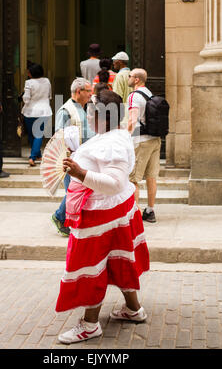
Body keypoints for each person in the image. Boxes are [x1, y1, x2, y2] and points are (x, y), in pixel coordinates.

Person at [55, 89, 149, 344]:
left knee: (92, 267)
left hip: (101, 217)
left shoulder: (113, 142)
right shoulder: (112, 136)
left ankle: (90, 323)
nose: (87, 117)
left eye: (90, 113)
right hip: (112, 212)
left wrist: (80, 173)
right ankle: (133, 309)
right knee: (120, 260)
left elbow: (115, 183)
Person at [51, 77, 95, 237]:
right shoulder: (66, 110)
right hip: (73, 157)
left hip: (85, 156)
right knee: (73, 191)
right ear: (79, 91)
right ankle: (60, 217)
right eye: (88, 91)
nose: (91, 94)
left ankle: (71, 219)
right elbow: (59, 134)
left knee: (78, 190)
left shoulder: (85, 107)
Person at [127, 68, 161, 223]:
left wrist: (125, 136)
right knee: (151, 176)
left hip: (141, 141)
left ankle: (135, 214)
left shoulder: (134, 96)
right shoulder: (150, 94)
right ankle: (150, 210)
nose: (128, 78)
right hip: (155, 139)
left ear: (136, 80)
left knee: (133, 178)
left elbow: (132, 120)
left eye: (130, 76)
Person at [21, 63, 52, 166]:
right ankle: (37, 155)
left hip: (30, 112)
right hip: (44, 111)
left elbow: (26, 99)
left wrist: (22, 95)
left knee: (31, 135)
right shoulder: (47, 81)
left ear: (30, 73)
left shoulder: (28, 83)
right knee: (38, 135)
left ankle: (32, 157)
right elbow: (49, 96)